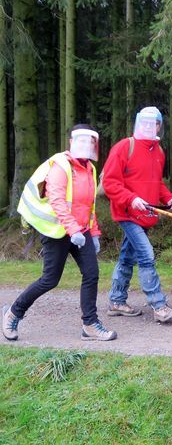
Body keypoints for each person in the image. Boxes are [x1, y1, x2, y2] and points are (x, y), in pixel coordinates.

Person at [2, 125, 116, 342]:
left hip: (81, 232)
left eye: (90, 141)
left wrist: (93, 232)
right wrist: (73, 230)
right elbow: (57, 201)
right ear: (71, 142)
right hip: (57, 231)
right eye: (81, 140)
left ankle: (90, 324)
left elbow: (88, 205)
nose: (86, 145)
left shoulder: (90, 168)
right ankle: (13, 313)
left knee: (91, 274)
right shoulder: (61, 165)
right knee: (49, 280)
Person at [102, 106, 172, 323]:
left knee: (127, 258)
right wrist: (130, 199)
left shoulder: (159, 151)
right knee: (146, 255)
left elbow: (157, 184)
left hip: (147, 214)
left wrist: (169, 199)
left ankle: (116, 301)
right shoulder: (123, 147)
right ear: (139, 123)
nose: (149, 126)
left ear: (159, 125)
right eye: (145, 122)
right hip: (127, 213)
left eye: (154, 122)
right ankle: (159, 306)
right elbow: (110, 182)